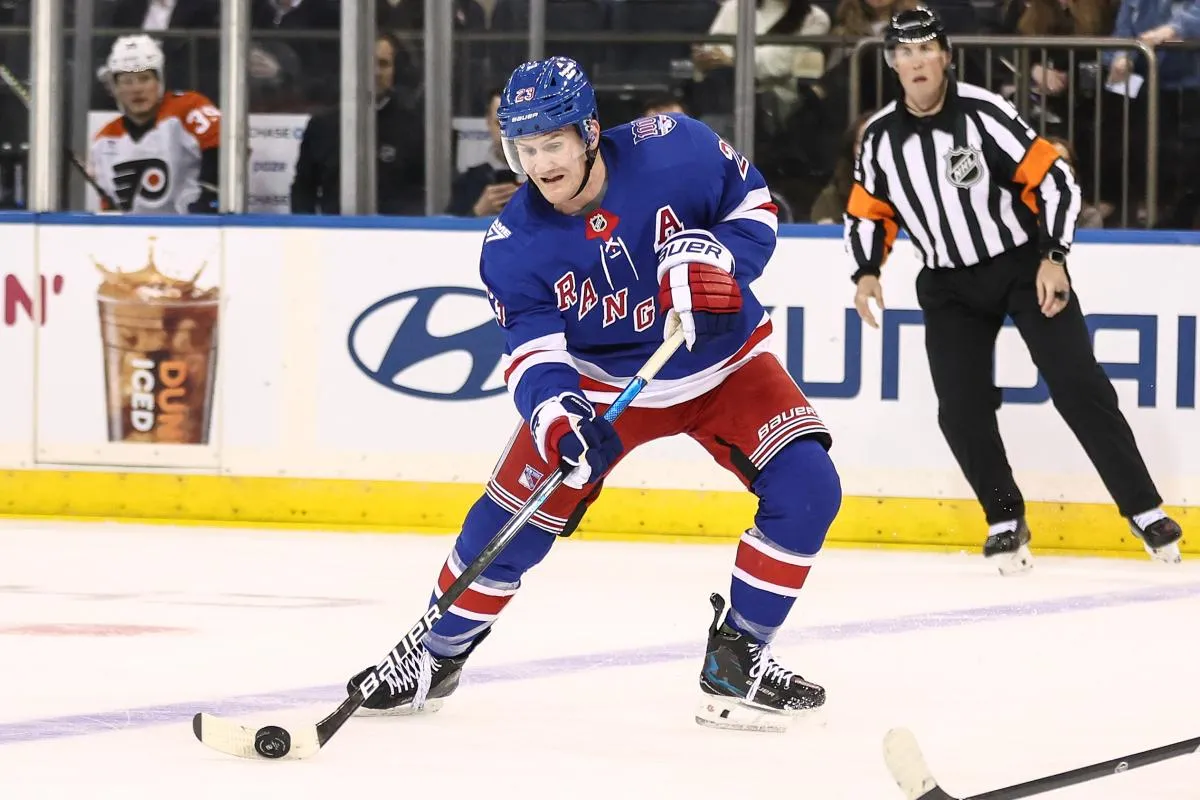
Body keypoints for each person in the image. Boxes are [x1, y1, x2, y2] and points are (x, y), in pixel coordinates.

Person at [347, 56, 842, 730]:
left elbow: (754, 204)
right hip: (600, 387)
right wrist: (557, 417)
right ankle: (434, 656)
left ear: (588, 132)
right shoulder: (512, 245)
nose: (540, 165)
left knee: (809, 488)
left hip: (721, 358)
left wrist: (718, 260)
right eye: (524, 149)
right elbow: (531, 353)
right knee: (509, 522)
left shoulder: (677, 147)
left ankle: (738, 658)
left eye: (552, 144)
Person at [843, 6, 1183, 574]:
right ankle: (1004, 519)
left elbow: (1055, 179)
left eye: (927, 48)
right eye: (905, 52)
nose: (917, 60)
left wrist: (1053, 256)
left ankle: (1144, 509)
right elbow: (867, 213)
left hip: (1023, 267)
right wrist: (866, 272)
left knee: (1079, 385)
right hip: (948, 283)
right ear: (892, 63)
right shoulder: (879, 137)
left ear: (945, 56)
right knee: (960, 406)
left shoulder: (985, 113)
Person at [91, 35, 221, 213]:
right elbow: (108, 206)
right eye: (127, 81)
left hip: (190, 230)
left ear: (159, 81)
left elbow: (227, 146)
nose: (136, 89)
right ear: (115, 89)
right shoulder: (104, 139)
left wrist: (209, 196)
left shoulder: (188, 109)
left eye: (144, 78)